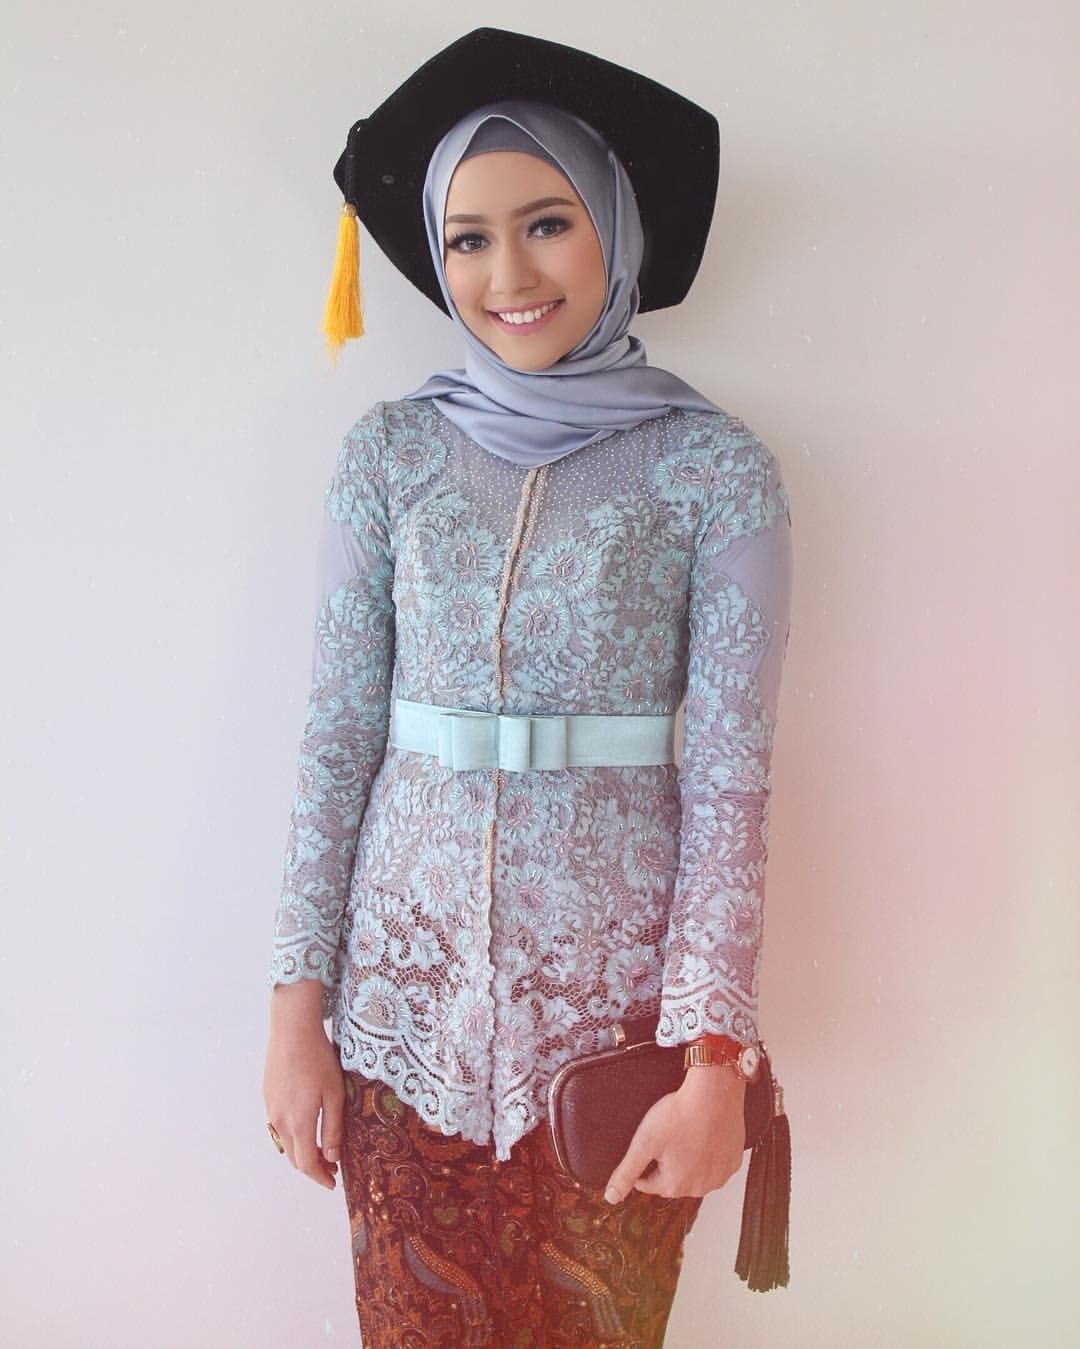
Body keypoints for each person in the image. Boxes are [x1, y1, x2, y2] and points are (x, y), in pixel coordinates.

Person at [263, 27, 792, 1347]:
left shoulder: (716, 471)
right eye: (469, 239)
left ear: (615, 223)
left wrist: (714, 1065)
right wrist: (294, 1014)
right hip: (398, 1033)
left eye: (548, 223)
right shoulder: (387, 456)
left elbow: (732, 781)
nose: (508, 274)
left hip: (618, 1053)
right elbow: (336, 737)